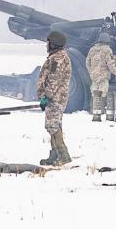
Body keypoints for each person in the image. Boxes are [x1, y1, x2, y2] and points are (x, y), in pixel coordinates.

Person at [37, 30, 73, 166]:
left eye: (48, 43)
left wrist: (46, 96)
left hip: (55, 98)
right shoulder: (57, 57)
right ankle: (54, 154)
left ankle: (63, 155)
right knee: (54, 125)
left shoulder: (57, 59)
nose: (46, 45)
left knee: (52, 125)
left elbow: (53, 80)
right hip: (56, 97)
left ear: (53, 44)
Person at [86, 35, 116, 122]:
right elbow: (110, 64)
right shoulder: (107, 50)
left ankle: (93, 110)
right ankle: (100, 112)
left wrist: (91, 72)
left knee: (94, 92)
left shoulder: (92, 49)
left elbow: (87, 62)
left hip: (94, 75)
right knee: (103, 92)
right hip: (103, 75)